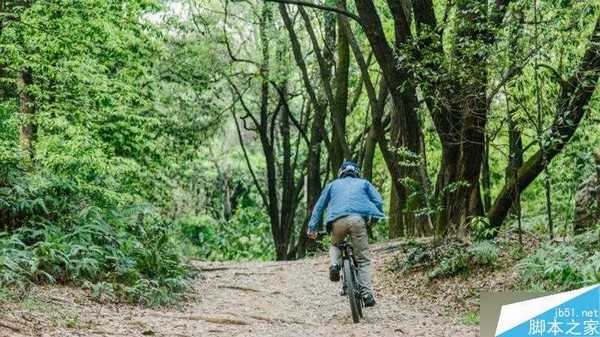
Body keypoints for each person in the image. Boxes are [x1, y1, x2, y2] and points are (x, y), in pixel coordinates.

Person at [307, 161, 385, 307]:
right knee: (362, 259)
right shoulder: (364, 183)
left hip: (337, 220)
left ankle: (334, 265)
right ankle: (367, 294)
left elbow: (319, 207)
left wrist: (312, 228)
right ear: (357, 173)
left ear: (341, 173)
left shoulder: (332, 185)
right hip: (357, 220)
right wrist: (373, 220)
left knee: (335, 244)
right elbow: (378, 201)